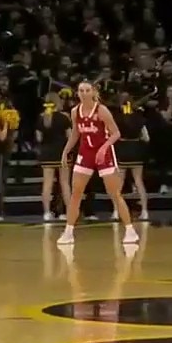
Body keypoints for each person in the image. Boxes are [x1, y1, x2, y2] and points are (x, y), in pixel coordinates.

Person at [57, 81, 139, 247]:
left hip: (104, 152)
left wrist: (103, 148)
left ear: (93, 92)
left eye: (87, 90)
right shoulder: (75, 112)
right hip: (85, 153)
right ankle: (68, 232)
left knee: (114, 193)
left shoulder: (101, 110)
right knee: (76, 194)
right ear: (77, 93)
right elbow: (75, 133)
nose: (84, 93)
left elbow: (116, 133)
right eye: (81, 90)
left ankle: (130, 230)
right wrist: (66, 151)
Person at [111, 89, 150, 221]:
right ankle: (145, 211)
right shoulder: (139, 117)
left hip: (122, 150)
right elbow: (146, 138)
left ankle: (116, 212)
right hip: (136, 150)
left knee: (119, 183)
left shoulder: (117, 118)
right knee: (139, 181)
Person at [36, 92, 72, 221]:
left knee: (47, 184)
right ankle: (69, 212)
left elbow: (39, 138)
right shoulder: (64, 117)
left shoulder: (42, 118)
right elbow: (70, 137)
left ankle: (46, 213)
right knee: (65, 184)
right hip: (61, 153)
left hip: (47, 153)